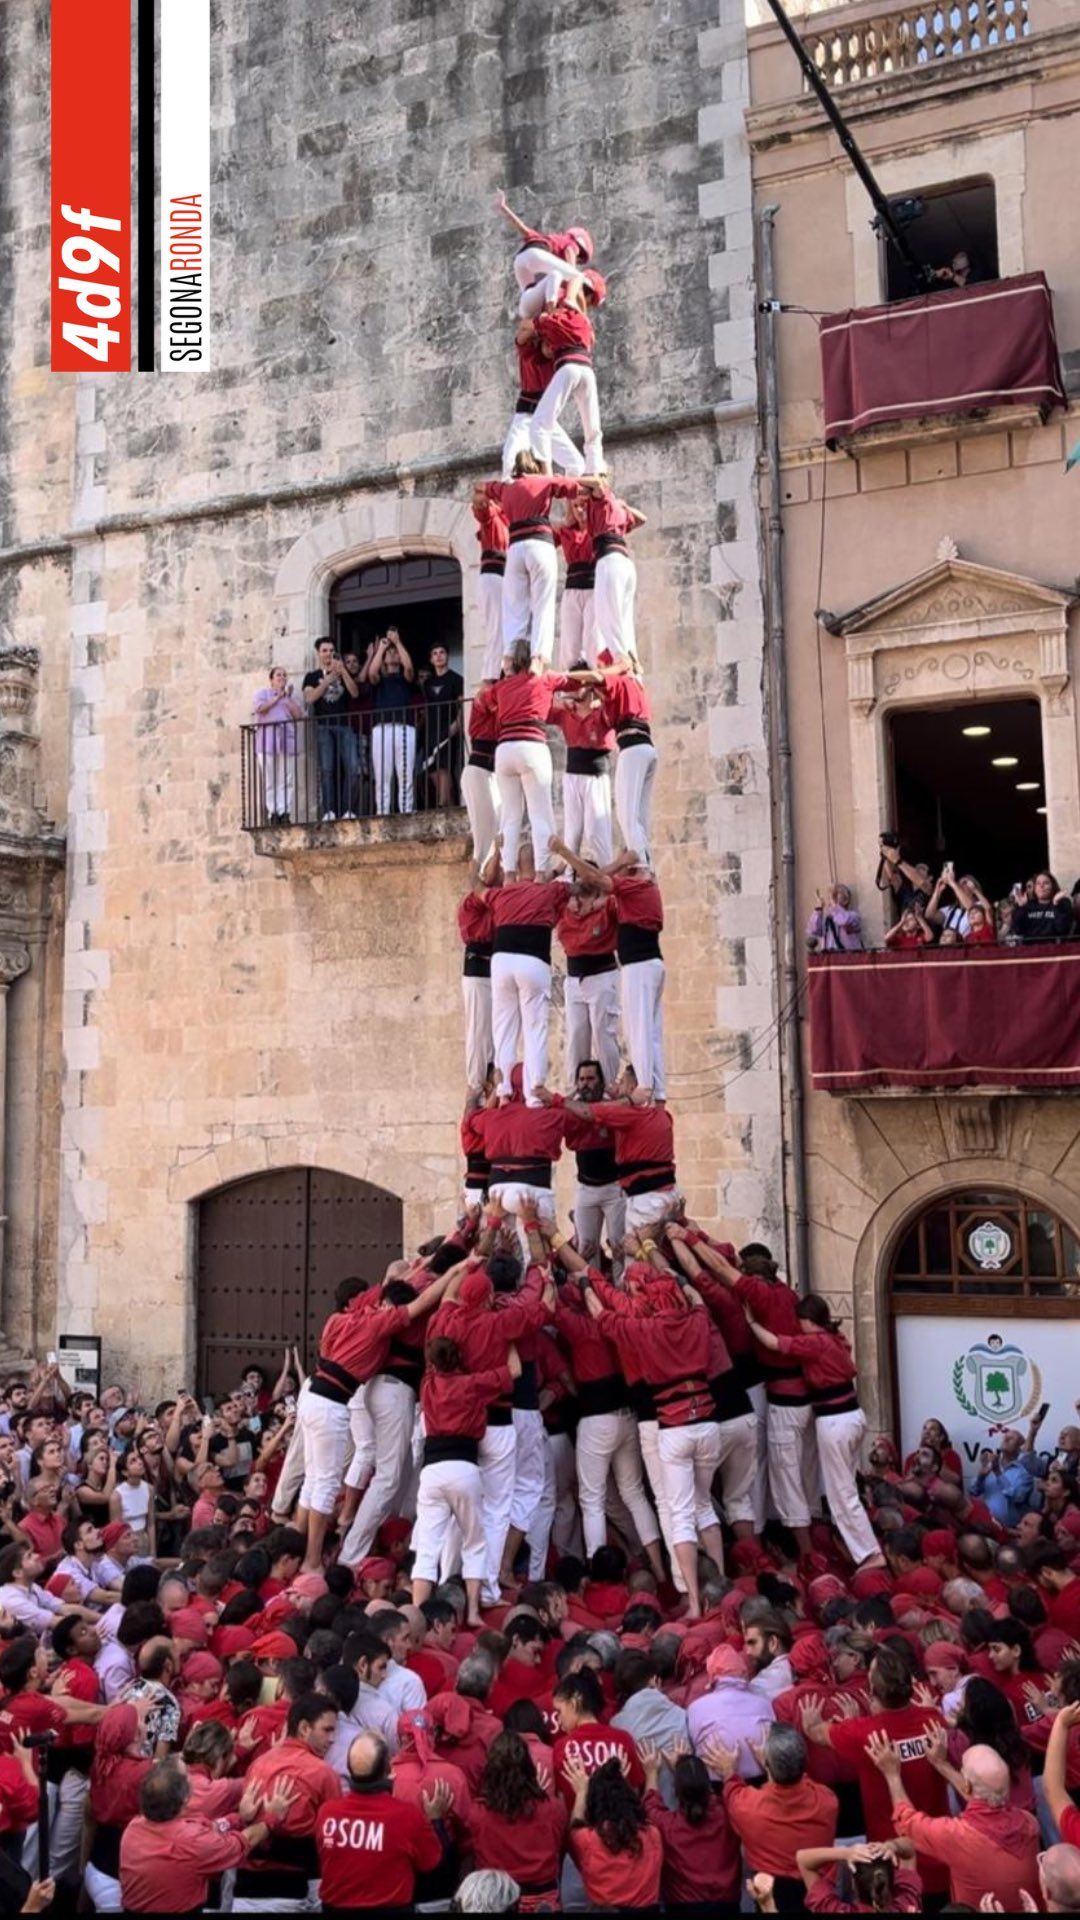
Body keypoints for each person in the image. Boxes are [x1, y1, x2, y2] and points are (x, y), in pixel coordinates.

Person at [295, 1265, 452, 1572]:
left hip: (313, 1395)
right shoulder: (377, 1323)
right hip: (333, 1402)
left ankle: (298, 1548)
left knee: (315, 1480)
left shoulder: (340, 1319)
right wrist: (457, 1270)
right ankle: (316, 1560)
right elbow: (417, 1302)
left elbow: (393, 1276)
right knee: (330, 1483)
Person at [743, 1295, 884, 1571]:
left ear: (808, 1321)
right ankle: (862, 1548)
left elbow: (774, 1343)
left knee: (841, 1493)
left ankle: (869, 1553)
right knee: (846, 1488)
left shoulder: (816, 1343)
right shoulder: (836, 1338)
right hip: (852, 1417)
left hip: (836, 1423)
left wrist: (751, 1322)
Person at [867, 1727, 1041, 1910]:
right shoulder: (1030, 1823)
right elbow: (987, 1800)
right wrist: (942, 1765)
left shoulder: (957, 1836)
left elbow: (907, 1821)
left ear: (967, 1785)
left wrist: (892, 1774)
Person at [411, 1336, 519, 1628]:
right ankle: (472, 1612)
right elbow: (514, 1371)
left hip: (432, 1471)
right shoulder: (473, 1384)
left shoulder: (427, 1384)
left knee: (428, 1548)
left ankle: (418, 1614)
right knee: (475, 1543)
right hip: (465, 1468)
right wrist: (507, 1337)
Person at [119, 1753, 287, 1914]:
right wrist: (270, 1819)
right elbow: (243, 1842)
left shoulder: (133, 1827)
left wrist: (239, 1819)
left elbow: (203, 1832)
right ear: (185, 1799)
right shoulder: (192, 1841)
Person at [488, 642, 597, 876]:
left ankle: (508, 875)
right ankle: (541, 873)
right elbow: (576, 680)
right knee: (540, 814)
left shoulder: (501, 687)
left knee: (510, 815)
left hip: (504, 749)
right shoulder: (545, 679)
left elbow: (490, 705)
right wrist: (597, 673)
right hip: (531, 745)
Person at [316, 1729, 447, 1914]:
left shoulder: (326, 1813)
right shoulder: (407, 1816)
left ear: (349, 1768)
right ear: (388, 1768)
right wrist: (436, 1821)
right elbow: (432, 1864)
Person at [233, 1692, 341, 1911]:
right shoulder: (323, 1773)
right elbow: (333, 1839)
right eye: (327, 1730)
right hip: (290, 1894)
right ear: (304, 1728)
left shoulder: (258, 1765)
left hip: (244, 1891)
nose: (332, 1739)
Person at [481, 456, 585, 670]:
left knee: (514, 606)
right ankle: (538, 658)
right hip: (539, 544)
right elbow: (576, 487)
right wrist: (553, 478)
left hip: (515, 548)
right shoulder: (543, 481)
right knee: (543, 603)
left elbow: (480, 488)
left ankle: (508, 659)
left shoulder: (506, 487)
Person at [708, 1722, 839, 1882]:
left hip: (770, 1895)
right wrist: (774, 1762)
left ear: (768, 1767)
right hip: (820, 1895)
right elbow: (804, 1781)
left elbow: (732, 1791)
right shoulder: (828, 1801)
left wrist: (728, 1771)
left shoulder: (747, 1808)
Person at [639, 1736, 741, 1907]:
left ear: (677, 1791)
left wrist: (652, 1773)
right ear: (708, 1785)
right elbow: (738, 1797)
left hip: (682, 1905)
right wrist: (729, 1771)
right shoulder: (729, 1815)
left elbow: (650, 1806)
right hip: (727, 1902)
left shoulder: (668, 1826)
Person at [470, 1730, 568, 1906]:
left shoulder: (477, 1814)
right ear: (529, 1766)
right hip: (543, 1901)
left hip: (496, 1902)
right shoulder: (554, 1809)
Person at [531, 274, 607, 476]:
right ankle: (595, 470)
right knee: (592, 429)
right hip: (587, 372)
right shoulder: (585, 323)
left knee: (540, 422)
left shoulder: (557, 317)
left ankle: (545, 471)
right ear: (587, 296)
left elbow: (535, 327)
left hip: (568, 369)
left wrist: (545, 311)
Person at [565, 1756, 662, 1909]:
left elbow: (574, 1828)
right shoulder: (652, 1834)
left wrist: (581, 1792)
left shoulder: (587, 1840)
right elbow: (651, 1806)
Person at [561, 1059, 625, 1264]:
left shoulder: (612, 1108)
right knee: (586, 1248)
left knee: (619, 1247)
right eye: (581, 1080)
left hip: (614, 1188)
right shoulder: (572, 1112)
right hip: (586, 1189)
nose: (586, 1084)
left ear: (600, 1081)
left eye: (590, 1078)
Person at [495, 191, 595, 318]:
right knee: (577, 276)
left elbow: (523, 229)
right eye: (579, 259)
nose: (577, 260)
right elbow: (571, 268)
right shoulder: (571, 244)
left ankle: (537, 316)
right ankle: (557, 307)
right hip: (536, 255)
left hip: (520, 261)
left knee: (530, 296)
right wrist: (580, 311)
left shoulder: (549, 239)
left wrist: (504, 208)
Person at [597, 656, 657, 866]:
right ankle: (646, 861)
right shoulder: (634, 683)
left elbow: (599, 678)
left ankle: (640, 863)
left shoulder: (619, 681)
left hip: (631, 748)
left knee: (626, 814)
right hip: (647, 747)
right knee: (640, 814)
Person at [581, 478, 646, 663]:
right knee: (622, 619)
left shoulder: (604, 500)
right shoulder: (615, 509)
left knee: (606, 617)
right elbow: (642, 519)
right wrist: (624, 507)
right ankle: (628, 659)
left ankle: (621, 660)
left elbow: (598, 484)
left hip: (609, 560)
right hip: (623, 562)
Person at [687, 1644, 776, 1777]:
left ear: (711, 1675)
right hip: (763, 1781)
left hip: (714, 1787)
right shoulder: (765, 1704)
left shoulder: (695, 1708)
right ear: (744, 1672)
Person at [552, 683, 615, 868]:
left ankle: (606, 875)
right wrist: (561, 700)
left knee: (596, 832)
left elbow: (613, 703)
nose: (574, 690)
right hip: (572, 774)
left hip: (594, 774)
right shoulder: (566, 713)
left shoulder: (601, 713)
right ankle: (568, 877)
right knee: (572, 834)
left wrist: (600, 693)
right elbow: (542, 705)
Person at [302, 638, 360, 824]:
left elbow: (355, 693)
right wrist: (326, 681)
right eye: (325, 650)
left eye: (332, 650)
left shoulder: (343, 673)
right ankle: (329, 810)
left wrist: (343, 671)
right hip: (324, 727)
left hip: (345, 726)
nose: (328, 654)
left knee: (352, 768)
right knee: (327, 769)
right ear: (318, 653)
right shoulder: (312, 676)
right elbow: (310, 697)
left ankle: (348, 809)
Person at [368, 629, 418, 817]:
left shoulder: (405, 678)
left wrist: (397, 643)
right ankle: (383, 812)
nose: (392, 654)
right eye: (390, 652)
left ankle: (405, 811)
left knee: (405, 773)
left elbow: (409, 667)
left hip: (405, 728)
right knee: (382, 775)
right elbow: (372, 672)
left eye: (394, 652)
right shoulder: (379, 679)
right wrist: (381, 648)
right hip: (382, 729)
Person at [252, 668, 305, 826]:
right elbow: (259, 709)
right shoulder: (263, 694)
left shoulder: (290, 698)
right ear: (271, 679)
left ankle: (284, 811)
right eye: (278, 675)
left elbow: (299, 715)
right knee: (270, 779)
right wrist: (277, 698)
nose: (282, 677)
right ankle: (273, 812)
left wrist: (287, 698)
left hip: (286, 741)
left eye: (284, 675)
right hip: (267, 741)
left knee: (286, 778)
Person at [458, 884, 495, 1097]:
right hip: (478, 970)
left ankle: (492, 1084)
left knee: (496, 1034)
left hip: (495, 969)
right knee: (478, 1031)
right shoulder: (471, 904)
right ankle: (476, 1087)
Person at [462, 679, 500, 869]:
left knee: (497, 835)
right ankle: (475, 886)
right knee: (483, 840)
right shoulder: (484, 697)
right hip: (478, 771)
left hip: (493, 774)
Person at [473, 486, 510, 682]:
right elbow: (482, 509)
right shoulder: (494, 515)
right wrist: (484, 492)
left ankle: (500, 672)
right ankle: (491, 676)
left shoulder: (508, 520)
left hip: (502, 576)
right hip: (493, 574)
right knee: (497, 628)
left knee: (504, 627)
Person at [420, 643, 464, 808]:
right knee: (433, 768)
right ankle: (449, 804)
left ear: (447, 656)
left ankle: (442, 803)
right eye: (435, 653)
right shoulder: (427, 683)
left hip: (449, 728)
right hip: (431, 731)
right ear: (431, 659)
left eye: (442, 652)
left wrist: (457, 724)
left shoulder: (457, 679)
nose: (439, 656)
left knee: (444, 765)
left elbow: (462, 705)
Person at [556, 497, 597, 668]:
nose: (580, 510)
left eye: (583, 505)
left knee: (592, 639)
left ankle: (594, 683)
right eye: (576, 506)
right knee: (569, 642)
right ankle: (568, 689)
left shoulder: (598, 530)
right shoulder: (565, 531)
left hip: (593, 587)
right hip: (572, 587)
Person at [1012, 871, 1075, 942]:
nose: (1041, 886)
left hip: (1054, 949)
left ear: (1053, 886)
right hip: (1029, 950)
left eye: (1046, 883)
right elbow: (1017, 930)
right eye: (1038, 883)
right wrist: (1021, 908)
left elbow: (1062, 929)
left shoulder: (1062, 903)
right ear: (1034, 888)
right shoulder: (1026, 905)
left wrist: (1056, 904)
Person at [806, 885, 863, 953]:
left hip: (848, 958)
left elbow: (843, 921)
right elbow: (813, 930)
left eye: (835, 897)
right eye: (831, 898)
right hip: (830, 959)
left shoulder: (853, 916)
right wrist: (818, 910)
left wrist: (835, 906)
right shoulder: (828, 919)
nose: (831, 901)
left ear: (845, 900)